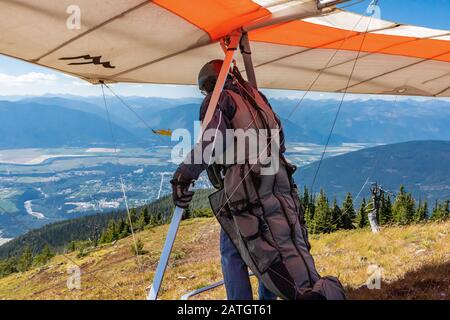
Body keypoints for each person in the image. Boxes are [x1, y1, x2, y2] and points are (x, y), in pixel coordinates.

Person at [171, 59, 278, 300]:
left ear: (209, 83)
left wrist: (184, 174)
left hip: (243, 187)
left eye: (204, 89)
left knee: (232, 252)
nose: (205, 93)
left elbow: (212, 142)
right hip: (272, 183)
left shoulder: (219, 97)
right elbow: (279, 133)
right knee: (266, 249)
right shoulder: (256, 96)